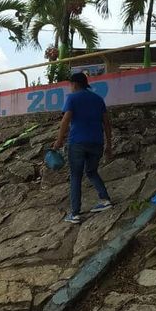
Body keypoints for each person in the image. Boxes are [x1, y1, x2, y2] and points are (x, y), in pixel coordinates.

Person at [52, 72, 113, 224]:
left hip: (77, 142)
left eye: (70, 84)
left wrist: (59, 140)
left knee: (76, 176)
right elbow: (106, 123)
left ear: (74, 84)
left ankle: (75, 213)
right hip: (97, 142)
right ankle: (105, 200)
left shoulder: (72, 98)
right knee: (92, 171)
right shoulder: (98, 99)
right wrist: (109, 144)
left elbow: (66, 120)